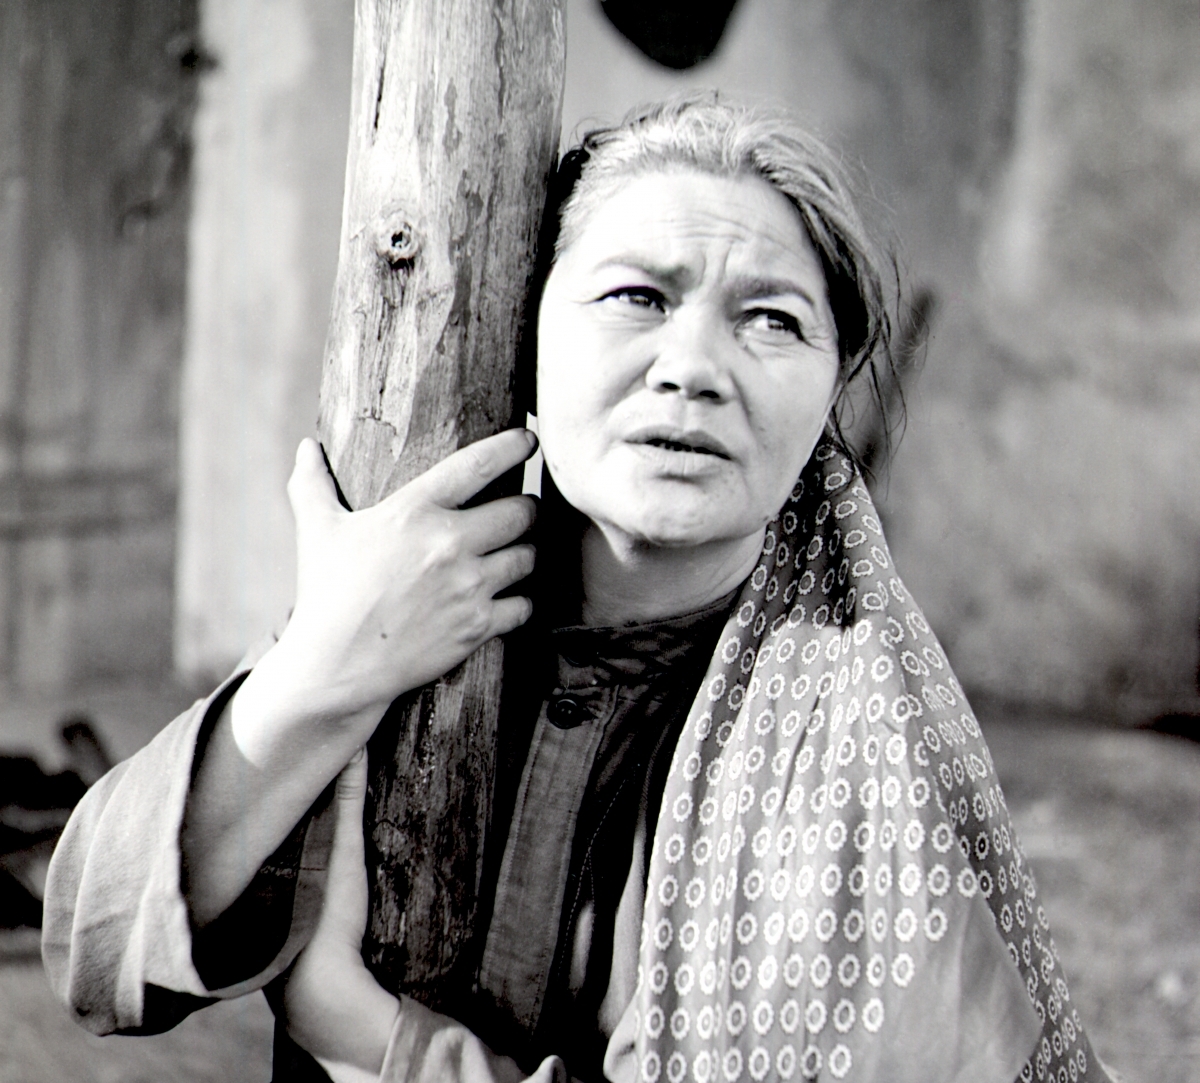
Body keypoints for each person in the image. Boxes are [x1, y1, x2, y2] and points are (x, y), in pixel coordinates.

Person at [43, 96, 1112, 1083]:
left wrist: (370, 1036)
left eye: (772, 320)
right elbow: (100, 956)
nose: (693, 368)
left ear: (831, 387)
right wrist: (322, 668)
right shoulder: (414, 607)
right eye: (636, 297)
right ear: (529, 338)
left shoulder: (849, 752)